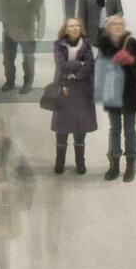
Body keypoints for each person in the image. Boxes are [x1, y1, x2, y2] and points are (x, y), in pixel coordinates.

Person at [97, 14, 136, 182]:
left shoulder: (130, 41)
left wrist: (132, 59)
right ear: (108, 27)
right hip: (112, 91)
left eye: (120, 24)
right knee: (115, 129)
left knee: (130, 130)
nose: (118, 26)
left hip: (129, 91)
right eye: (114, 24)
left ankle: (130, 164)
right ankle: (114, 165)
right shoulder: (103, 44)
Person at [50, 15, 96, 174]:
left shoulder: (87, 45)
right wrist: (79, 63)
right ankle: (59, 161)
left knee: (80, 127)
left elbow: (90, 66)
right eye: (71, 26)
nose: (75, 28)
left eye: (77, 25)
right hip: (63, 88)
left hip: (82, 90)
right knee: (61, 128)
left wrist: (75, 74)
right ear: (65, 29)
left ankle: (80, 162)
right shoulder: (58, 45)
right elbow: (61, 67)